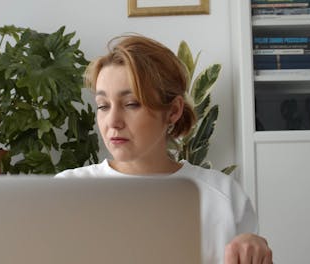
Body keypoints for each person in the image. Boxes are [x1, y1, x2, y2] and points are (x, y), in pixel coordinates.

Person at [56, 35, 273, 264]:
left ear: (173, 111)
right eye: (103, 106)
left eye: (131, 104)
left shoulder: (223, 196)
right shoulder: (66, 193)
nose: (112, 121)